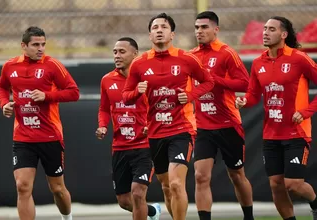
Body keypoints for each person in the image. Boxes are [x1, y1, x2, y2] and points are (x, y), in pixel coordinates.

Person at [122, 13, 215, 220]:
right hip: (155, 132)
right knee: (165, 186)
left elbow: (209, 82)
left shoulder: (186, 58)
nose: (159, 30)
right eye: (155, 27)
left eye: (163, 27)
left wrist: (190, 96)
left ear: (172, 34)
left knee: (175, 183)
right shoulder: (139, 63)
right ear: (150, 35)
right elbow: (126, 97)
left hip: (181, 129)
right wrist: (137, 91)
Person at [235, 16, 317, 220]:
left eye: (271, 29)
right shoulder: (257, 63)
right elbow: (253, 95)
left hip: (297, 133)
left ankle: (316, 205)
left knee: (293, 184)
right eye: (264, 29)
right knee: (276, 185)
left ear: (283, 34)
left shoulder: (299, 58)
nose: (265, 32)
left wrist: (305, 112)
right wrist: (244, 101)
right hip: (271, 134)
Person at [0, 26, 79, 220]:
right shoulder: (10, 66)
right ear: (23, 46)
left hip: (50, 136)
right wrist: (4, 104)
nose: (40, 48)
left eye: (43, 44)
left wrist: (47, 96)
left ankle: (67, 217)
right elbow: (1, 87)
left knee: (57, 188)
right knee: (22, 186)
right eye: (35, 45)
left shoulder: (52, 65)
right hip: (23, 137)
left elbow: (73, 92)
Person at [190, 11, 254, 220]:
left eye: (204, 27)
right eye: (197, 27)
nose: (199, 31)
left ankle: (248, 216)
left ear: (216, 29)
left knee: (236, 175)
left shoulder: (227, 53)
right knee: (200, 176)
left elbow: (245, 84)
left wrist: (215, 80)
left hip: (228, 123)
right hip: (202, 126)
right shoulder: (191, 57)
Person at [95, 37, 161, 220]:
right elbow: (104, 108)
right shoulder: (107, 80)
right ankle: (153, 212)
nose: (117, 56)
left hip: (144, 145)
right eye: (115, 52)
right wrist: (102, 126)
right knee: (124, 201)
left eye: (122, 52)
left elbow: (160, 105)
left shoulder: (147, 79)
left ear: (135, 54)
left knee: (138, 193)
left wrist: (152, 125)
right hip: (120, 147)